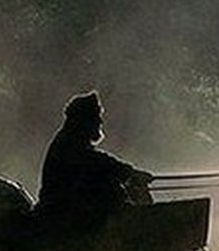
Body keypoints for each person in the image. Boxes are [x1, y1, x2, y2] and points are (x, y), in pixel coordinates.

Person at [35, 91, 152, 234]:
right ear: (84, 121)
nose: (100, 122)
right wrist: (129, 173)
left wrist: (128, 174)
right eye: (97, 118)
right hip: (62, 212)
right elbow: (97, 163)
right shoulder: (68, 144)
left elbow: (98, 162)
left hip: (64, 208)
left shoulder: (69, 141)